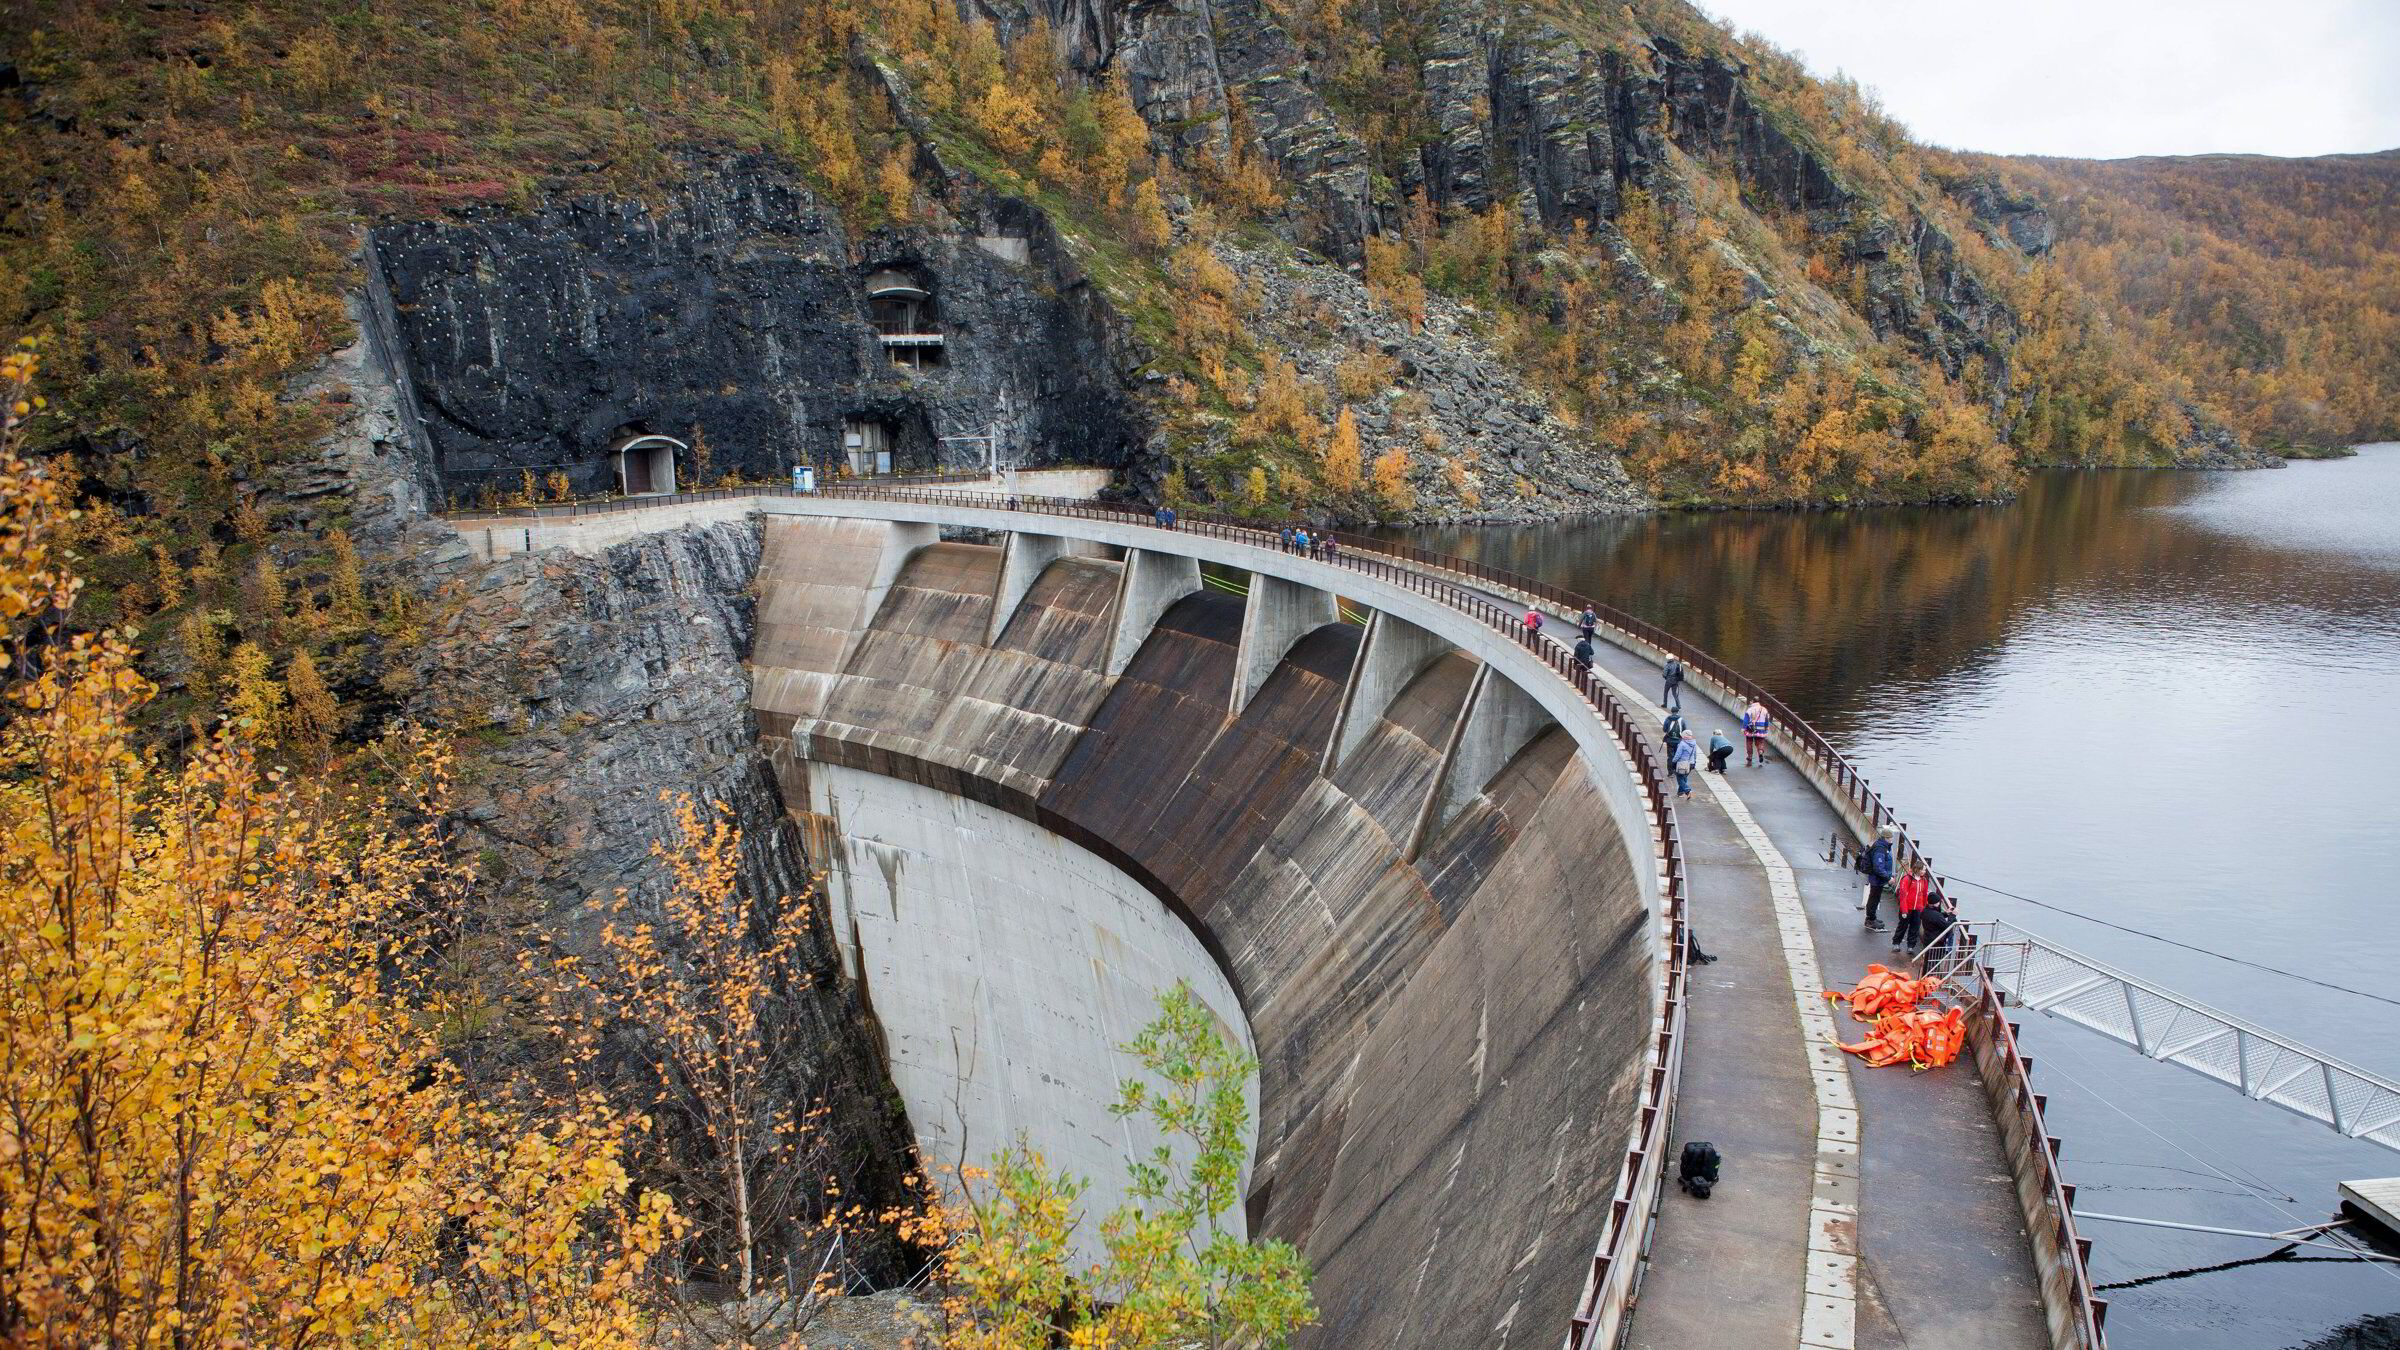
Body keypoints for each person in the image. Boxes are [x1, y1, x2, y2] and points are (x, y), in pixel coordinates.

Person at [1859, 826, 1896, 932]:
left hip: (1877, 879)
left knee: (1875, 899)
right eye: (1890, 837)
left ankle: (1872, 918)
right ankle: (1870, 920)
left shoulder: (1881, 846)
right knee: (1874, 899)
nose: (1891, 839)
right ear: (1886, 838)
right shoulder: (1880, 849)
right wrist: (1888, 877)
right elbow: (1878, 867)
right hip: (1877, 879)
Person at [1892, 858, 1932, 951]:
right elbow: (1903, 896)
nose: (1924, 871)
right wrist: (1904, 910)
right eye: (1923, 869)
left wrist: (1923, 907)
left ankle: (1911, 946)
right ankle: (1896, 943)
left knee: (1915, 927)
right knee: (1902, 926)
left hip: (1918, 908)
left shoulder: (1924, 880)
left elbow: (1924, 894)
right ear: (1917, 869)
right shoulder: (1907, 879)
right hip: (1907, 908)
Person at [1741, 698, 1770, 766]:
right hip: (1761, 729)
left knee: (1749, 742)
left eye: (1751, 701)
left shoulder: (1750, 709)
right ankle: (1760, 751)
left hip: (1751, 729)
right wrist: (1766, 727)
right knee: (1760, 742)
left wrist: (1743, 728)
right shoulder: (1764, 709)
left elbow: (1746, 720)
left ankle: (1750, 757)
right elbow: (1767, 720)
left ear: (1753, 701)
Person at [1671, 731, 1699, 797]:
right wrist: (1694, 762)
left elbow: (1678, 755)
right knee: (1684, 777)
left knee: (1680, 778)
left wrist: (1673, 761)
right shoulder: (1694, 743)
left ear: (1684, 736)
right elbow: (1695, 754)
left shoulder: (1682, 744)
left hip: (1682, 764)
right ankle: (1680, 793)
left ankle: (1687, 790)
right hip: (1691, 763)